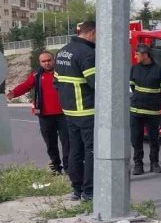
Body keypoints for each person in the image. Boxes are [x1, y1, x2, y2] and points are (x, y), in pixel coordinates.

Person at [6, 51, 69, 175]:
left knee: (67, 143)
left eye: (49, 60)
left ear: (54, 60)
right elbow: (25, 86)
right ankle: (56, 167)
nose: (47, 63)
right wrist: (13, 93)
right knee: (50, 143)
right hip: (45, 115)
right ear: (40, 63)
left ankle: (69, 167)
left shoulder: (63, 72)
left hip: (64, 114)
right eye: (43, 61)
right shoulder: (37, 75)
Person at [54, 21, 96, 202]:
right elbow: (96, 84)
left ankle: (77, 189)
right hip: (86, 110)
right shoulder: (87, 53)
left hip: (70, 111)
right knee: (91, 151)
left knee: (75, 150)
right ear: (92, 32)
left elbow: (56, 82)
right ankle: (89, 191)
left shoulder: (62, 51)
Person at [129, 43, 161, 175]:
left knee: (154, 139)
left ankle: (154, 164)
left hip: (153, 111)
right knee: (136, 139)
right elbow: (133, 87)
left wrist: (153, 100)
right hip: (136, 111)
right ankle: (138, 165)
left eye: (137, 54)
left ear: (145, 55)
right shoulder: (134, 69)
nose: (135, 57)